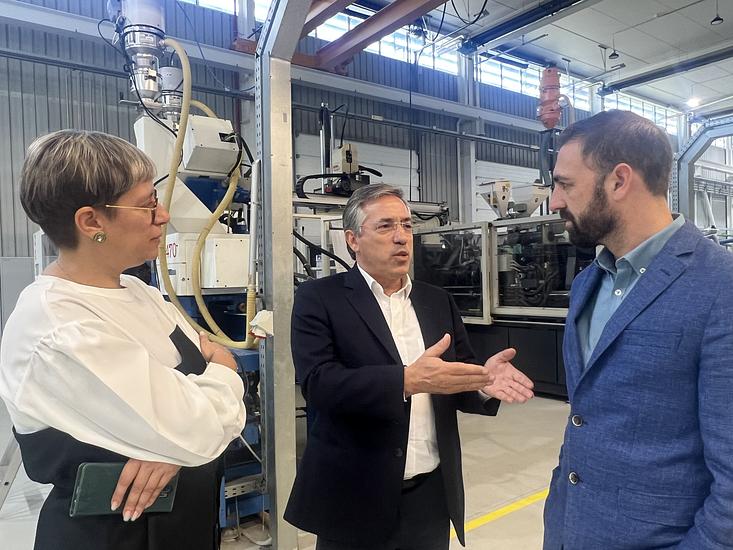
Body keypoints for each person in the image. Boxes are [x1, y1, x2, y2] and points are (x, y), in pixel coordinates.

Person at [0, 130, 246, 550]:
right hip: (115, 536)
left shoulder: (140, 292)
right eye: (147, 204)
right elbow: (202, 426)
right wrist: (220, 371)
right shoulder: (60, 327)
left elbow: (194, 426)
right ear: (91, 222)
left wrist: (172, 445)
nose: (163, 215)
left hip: (184, 527)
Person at [285, 184, 535, 550]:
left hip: (430, 497)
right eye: (385, 226)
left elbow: (456, 374)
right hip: (354, 496)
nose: (401, 237)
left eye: (406, 225)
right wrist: (404, 381)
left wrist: (482, 381)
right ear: (353, 240)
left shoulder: (437, 301)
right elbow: (319, 384)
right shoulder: (320, 299)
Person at [543, 110, 733, 549]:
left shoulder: (719, 287)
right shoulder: (588, 283)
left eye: (565, 184)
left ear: (619, 181)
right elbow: (585, 418)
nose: (554, 202)